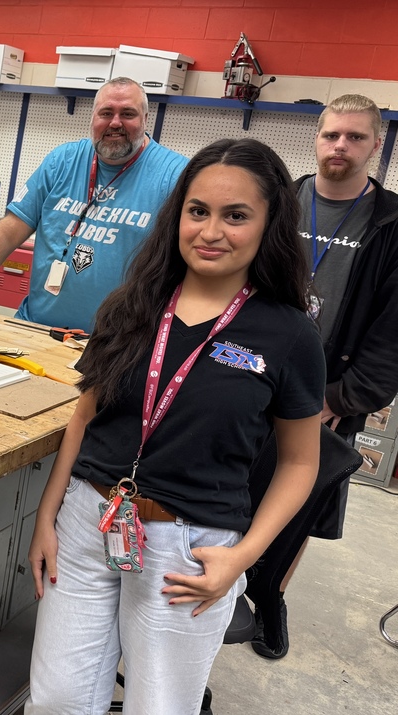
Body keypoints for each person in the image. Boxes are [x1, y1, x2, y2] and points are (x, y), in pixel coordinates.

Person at [24, 139, 324, 713]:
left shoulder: (288, 334)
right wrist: (47, 516)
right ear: (178, 216)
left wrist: (242, 559)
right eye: (198, 211)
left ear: (269, 225)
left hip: (188, 551)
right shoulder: (132, 303)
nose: (211, 230)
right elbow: (84, 415)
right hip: (89, 525)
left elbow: (300, 462)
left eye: (236, 215)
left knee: (157, 707)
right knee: (58, 700)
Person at [251, 94, 398, 660]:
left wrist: (345, 397)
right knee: (235, 490)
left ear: (375, 145)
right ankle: (229, 585)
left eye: (355, 137)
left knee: (299, 504)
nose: (341, 146)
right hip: (254, 377)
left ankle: (270, 598)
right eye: (332, 135)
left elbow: (393, 333)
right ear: (316, 137)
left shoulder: (390, 224)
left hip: (328, 395)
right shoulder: (280, 203)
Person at [0, 77, 187, 332]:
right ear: (93, 117)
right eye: (106, 113)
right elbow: (8, 232)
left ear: (145, 119)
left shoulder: (174, 175)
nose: (115, 122)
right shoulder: (62, 161)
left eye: (127, 113)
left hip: (113, 345)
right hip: (36, 328)